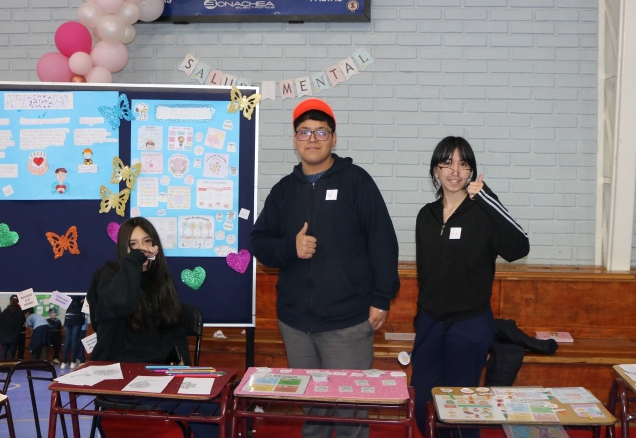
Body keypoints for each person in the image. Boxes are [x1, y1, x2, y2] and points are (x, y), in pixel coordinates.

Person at [251, 98, 400, 438]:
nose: (312, 138)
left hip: (348, 322)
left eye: (321, 131)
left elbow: (383, 242)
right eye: (304, 131)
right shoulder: (283, 191)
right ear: (294, 139)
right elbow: (259, 243)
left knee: (349, 413)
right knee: (313, 410)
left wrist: (382, 297)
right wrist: (290, 247)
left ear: (334, 138)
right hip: (295, 324)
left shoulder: (357, 181)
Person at [411, 136, 530, 437]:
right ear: (435, 170)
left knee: (461, 408)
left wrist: (488, 198)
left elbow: (519, 247)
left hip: (470, 324)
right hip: (430, 323)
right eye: (447, 163)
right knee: (423, 399)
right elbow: (425, 271)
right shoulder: (426, 216)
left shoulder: (483, 214)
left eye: (463, 164)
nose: (455, 171)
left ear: (472, 171)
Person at [86, 217, 218, 438]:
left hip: (158, 376)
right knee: (205, 411)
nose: (142, 249)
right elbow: (121, 303)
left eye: (147, 241)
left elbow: (173, 328)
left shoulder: (160, 280)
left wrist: (182, 361)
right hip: (119, 379)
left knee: (217, 402)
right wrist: (132, 262)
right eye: (133, 244)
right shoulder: (108, 274)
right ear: (123, 249)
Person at [0, 295, 25, 360]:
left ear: (10, 301)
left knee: (3, 352)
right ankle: (10, 368)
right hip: (14, 335)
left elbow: (0, 321)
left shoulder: (6, 310)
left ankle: (2, 367)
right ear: (18, 301)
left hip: (4, 335)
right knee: (12, 354)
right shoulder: (20, 311)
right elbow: (22, 321)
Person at [62, 295, 85, 369]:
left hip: (68, 316)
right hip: (77, 316)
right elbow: (84, 302)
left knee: (67, 340)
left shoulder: (67, 292)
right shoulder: (81, 292)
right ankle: (73, 361)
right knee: (74, 340)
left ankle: (64, 362)